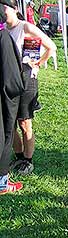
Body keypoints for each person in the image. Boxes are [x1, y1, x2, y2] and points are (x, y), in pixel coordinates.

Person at [3, 0, 57, 175]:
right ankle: (18, 156)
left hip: (27, 80)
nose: (2, 11)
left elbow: (51, 46)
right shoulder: (3, 30)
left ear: (14, 9)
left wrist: (39, 63)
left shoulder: (25, 27)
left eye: (4, 7)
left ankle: (28, 160)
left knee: (24, 123)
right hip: (9, 80)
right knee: (9, 124)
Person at [0, 1, 24, 194]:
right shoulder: (3, 37)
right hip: (3, 98)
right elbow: (11, 79)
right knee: (5, 135)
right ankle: (2, 182)